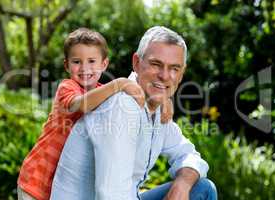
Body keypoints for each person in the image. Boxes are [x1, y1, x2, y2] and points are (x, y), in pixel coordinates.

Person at [50, 26, 217, 200]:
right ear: (136, 63)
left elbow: (188, 154)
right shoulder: (122, 106)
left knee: (202, 188)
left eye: (174, 68)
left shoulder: (158, 109)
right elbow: (110, 194)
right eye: (156, 64)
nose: (165, 76)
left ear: (182, 74)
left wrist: (183, 183)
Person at [17, 27, 173, 200]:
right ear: (66, 65)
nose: (85, 68)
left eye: (92, 61)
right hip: (36, 182)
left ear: (103, 64)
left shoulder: (104, 93)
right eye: (77, 62)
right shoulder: (67, 87)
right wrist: (119, 83)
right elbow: (81, 105)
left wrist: (163, 101)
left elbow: (139, 96)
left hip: (59, 184)